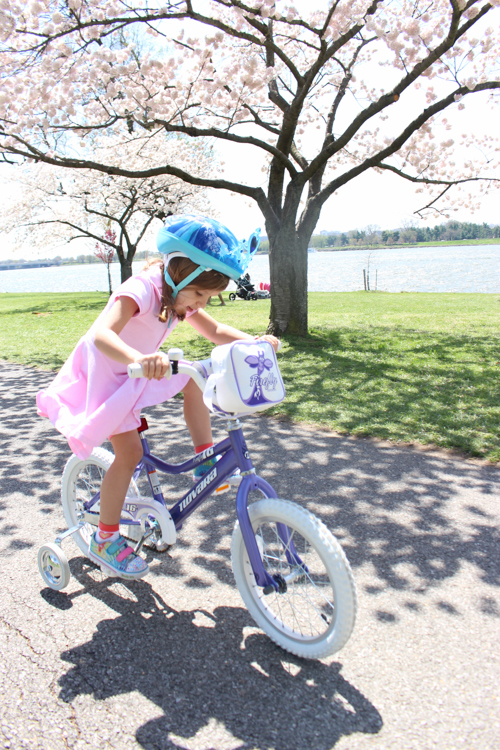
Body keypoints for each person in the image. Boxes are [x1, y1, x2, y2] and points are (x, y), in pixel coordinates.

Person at [37, 215, 279, 580]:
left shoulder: (180, 297)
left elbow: (214, 330)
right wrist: (138, 358)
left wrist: (254, 341)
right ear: (177, 274)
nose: (201, 304)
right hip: (108, 378)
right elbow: (100, 335)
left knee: (195, 378)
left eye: (209, 297)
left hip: (139, 373)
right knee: (129, 453)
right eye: (198, 295)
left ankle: (203, 458)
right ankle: (105, 537)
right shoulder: (143, 289)